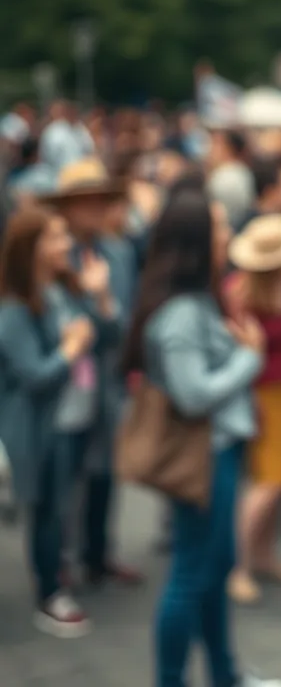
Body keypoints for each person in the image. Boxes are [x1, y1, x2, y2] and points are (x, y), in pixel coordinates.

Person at [121, 180, 281, 687]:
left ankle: (224, 674)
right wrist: (249, 358)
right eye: (218, 226)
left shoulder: (194, 301)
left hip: (216, 450)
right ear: (196, 240)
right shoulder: (181, 314)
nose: (227, 233)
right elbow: (194, 395)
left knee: (213, 569)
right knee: (191, 575)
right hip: (203, 455)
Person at [0, 206, 116, 637]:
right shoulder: (14, 309)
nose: (66, 244)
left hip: (78, 414)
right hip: (46, 426)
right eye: (56, 237)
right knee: (49, 510)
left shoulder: (63, 291)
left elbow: (109, 336)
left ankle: (63, 573)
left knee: (65, 504)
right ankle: (49, 593)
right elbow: (34, 376)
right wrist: (71, 348)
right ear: (32, 248)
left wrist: (101, 297)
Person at [41, 158, 143, 588]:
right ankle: (59, 562)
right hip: (65, 382)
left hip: (106, 378)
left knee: (105, 472)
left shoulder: (118, 252)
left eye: (102, 200)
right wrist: (97, 307)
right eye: (86, 201)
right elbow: (60, 325)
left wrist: (102, 309)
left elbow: (121, 325)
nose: (97, 209)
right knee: (64, 476)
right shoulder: (51, 255)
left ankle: (98, 554)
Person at [224, 214, 281, 605]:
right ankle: (237, 566)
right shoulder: (237, 293)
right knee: (269, 482)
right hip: (259, 391)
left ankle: (264, 556)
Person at [207, 129, 254, 232]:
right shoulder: (242, 171)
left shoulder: (225, 178)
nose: (209, 151)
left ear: (227, 148)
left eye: (215, 144)